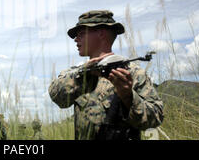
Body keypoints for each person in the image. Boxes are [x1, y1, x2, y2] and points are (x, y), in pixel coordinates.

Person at [48, 10, 163, 140]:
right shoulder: (78, 73)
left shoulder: (133, 73)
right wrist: (82, 75)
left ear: (101, 34)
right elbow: (57, 96)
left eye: (81, 34)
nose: (76, 39)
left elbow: (155, 119)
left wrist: (128, 97)